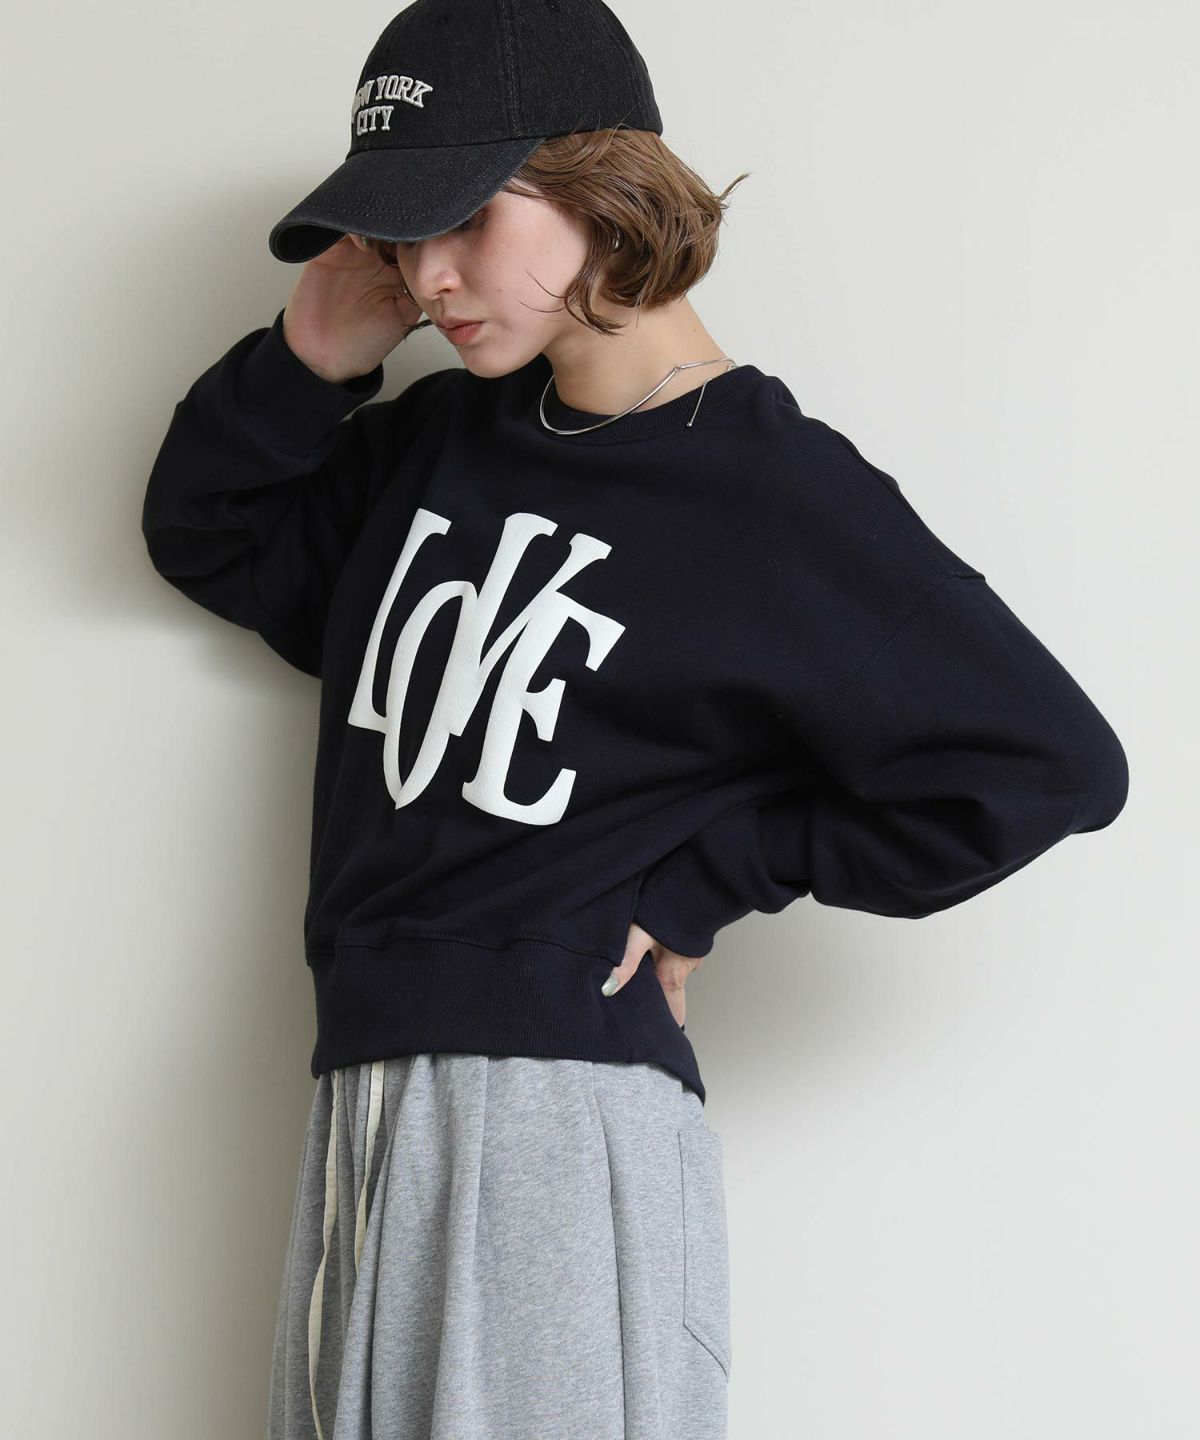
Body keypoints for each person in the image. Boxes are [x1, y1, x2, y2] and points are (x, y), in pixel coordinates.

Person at [140, 3, 1129, 1437]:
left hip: (556, 1110)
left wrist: (713, 879)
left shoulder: (775, 496)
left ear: (605, 189)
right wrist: (310, 354)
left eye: (466, 218)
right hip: (365, 1088)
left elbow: (1049, 764)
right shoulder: (439, 442)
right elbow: (214, 537)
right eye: (403, 238)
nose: (428, 275)